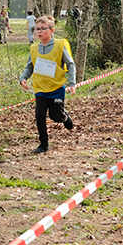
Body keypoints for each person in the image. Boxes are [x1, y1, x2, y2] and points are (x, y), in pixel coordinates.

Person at [19, 15, 76, 154]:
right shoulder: (33, 48)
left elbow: (70, 64)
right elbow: (29, 67)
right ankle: (43, 144)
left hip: (56, 88)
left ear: (51, 30)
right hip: (40, 89)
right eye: (37, 29)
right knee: (39, 116)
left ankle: (64, 117)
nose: (39, 31)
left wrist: (72, 83)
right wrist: (23, 78)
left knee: (55, 116)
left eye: (43, 28)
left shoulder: (59, 45)